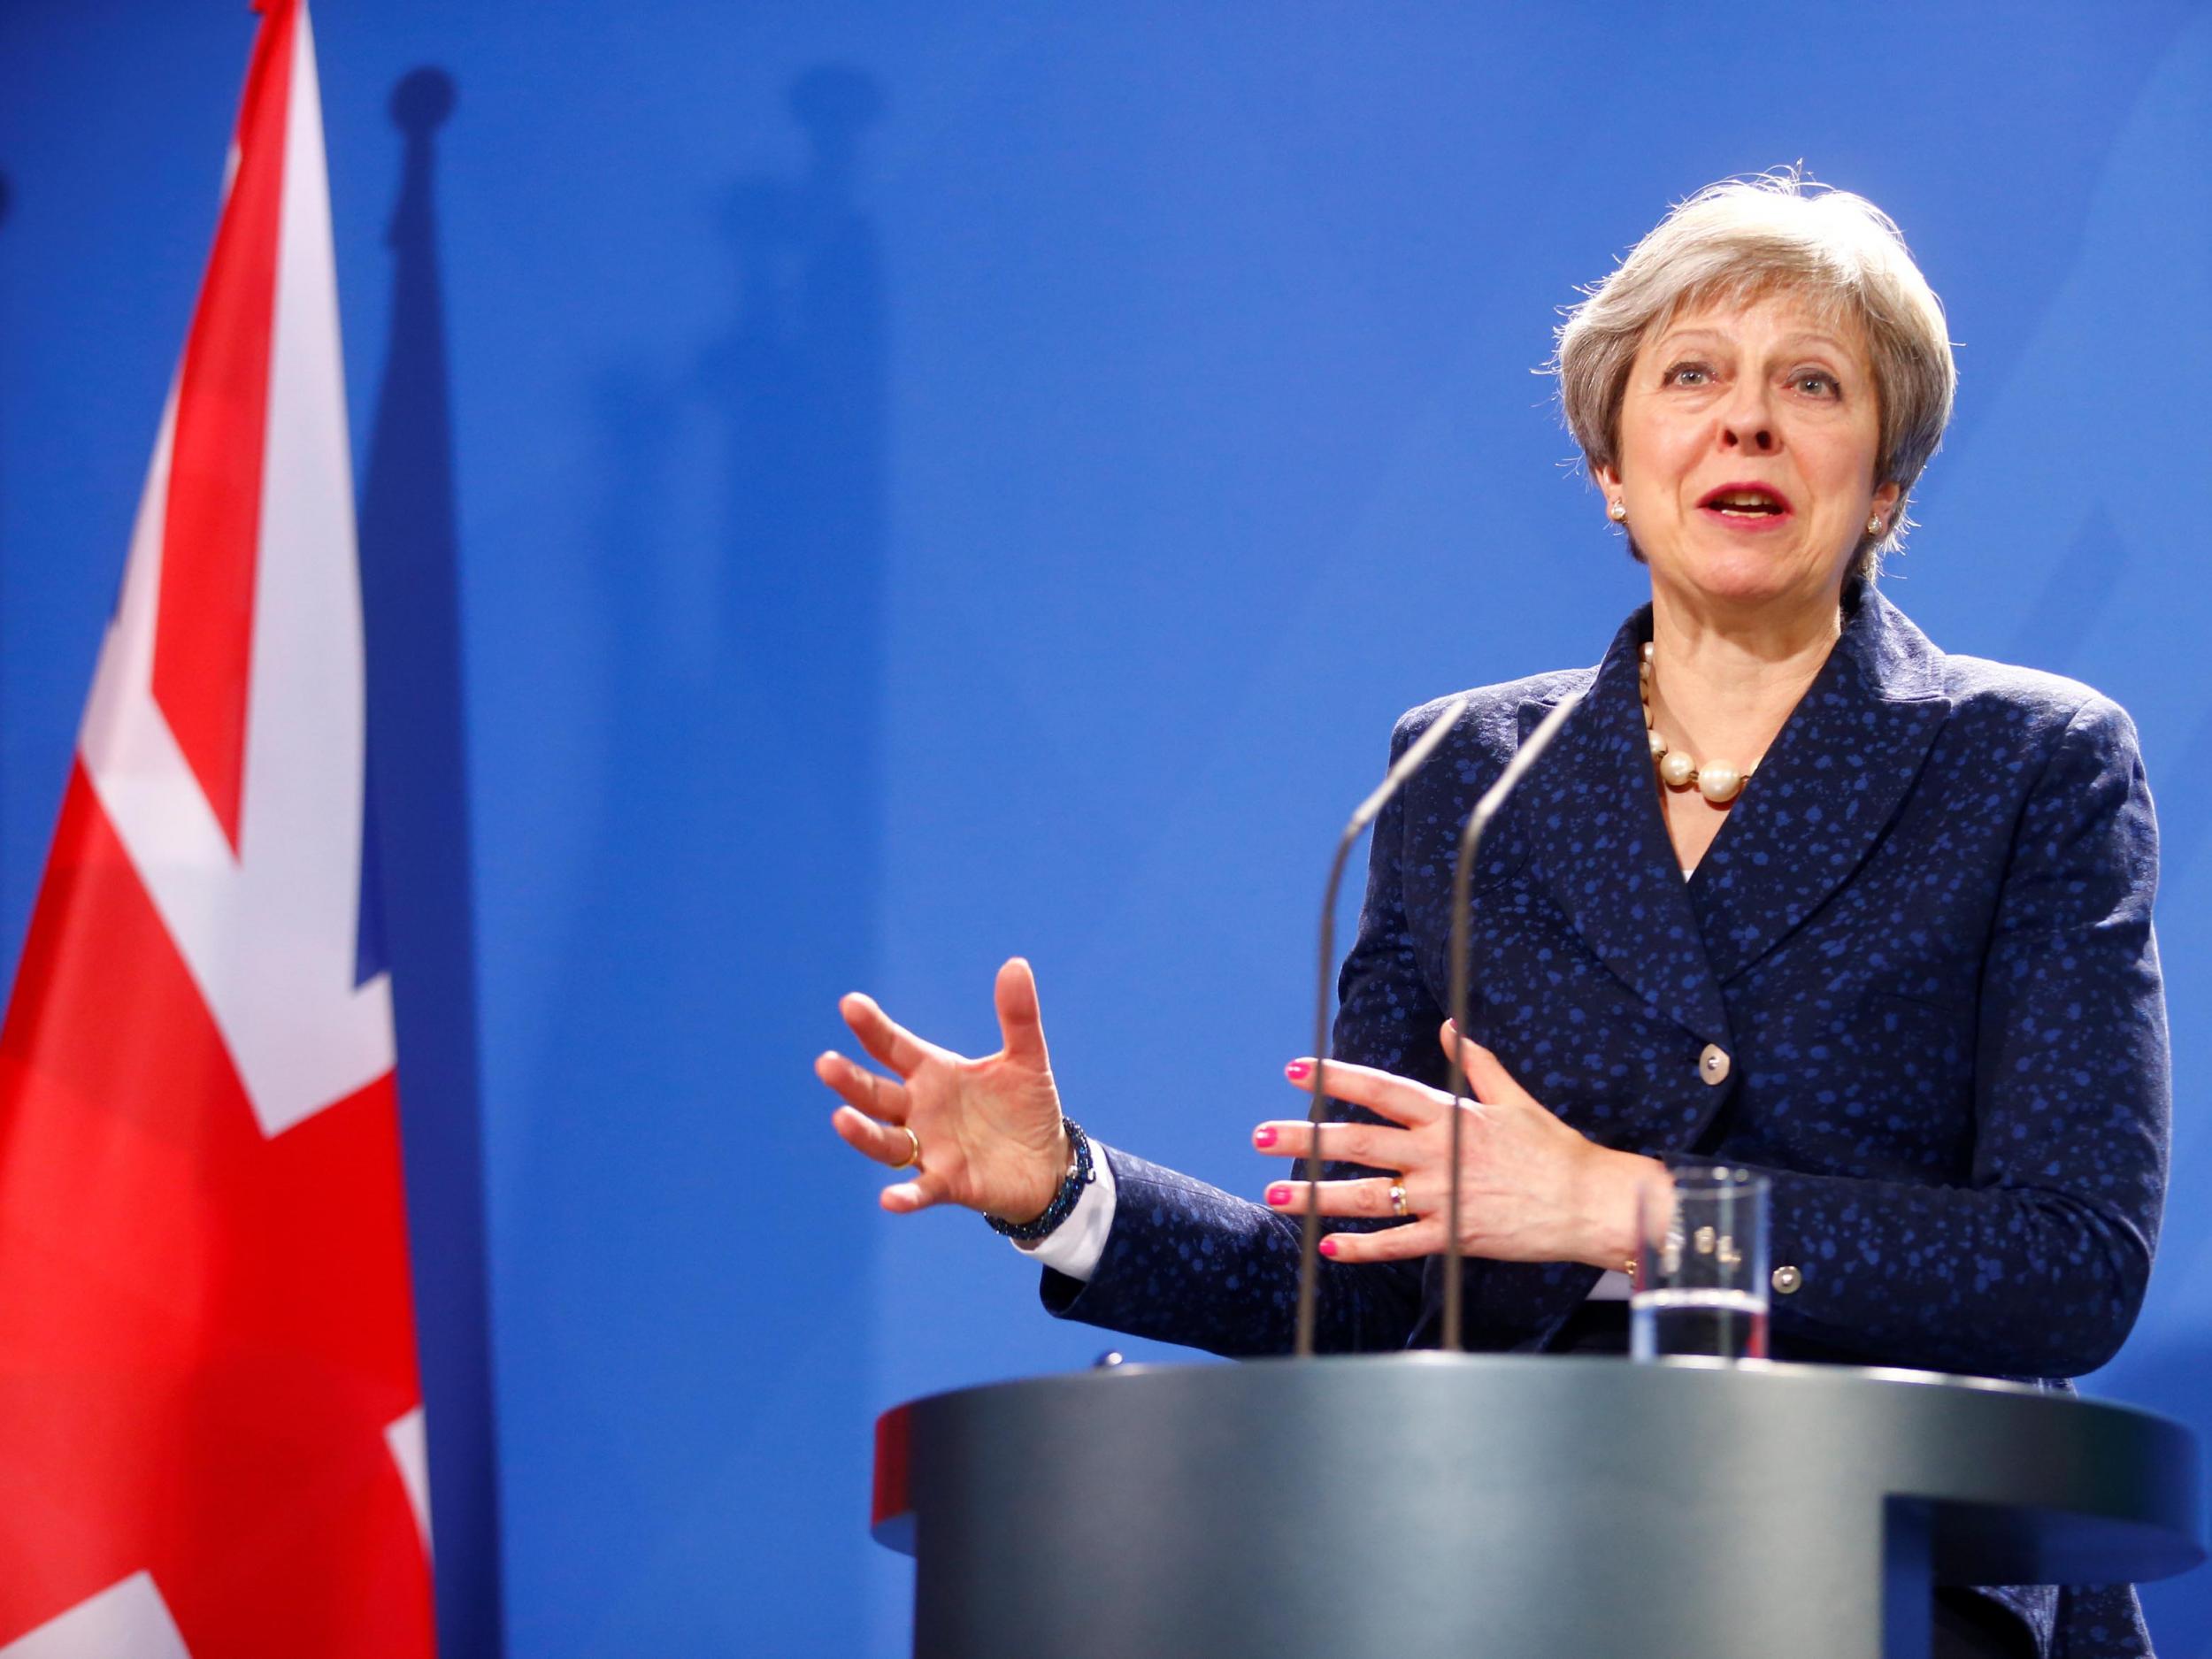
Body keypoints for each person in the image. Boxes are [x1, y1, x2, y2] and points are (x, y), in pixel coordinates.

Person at [814, 173, 2169, 1659]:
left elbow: (2069, 1265)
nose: (1748, 421)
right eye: (1694, 376)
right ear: (1611, 460)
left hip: (1883, 1555)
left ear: (1888, 481)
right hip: (1495, 1544)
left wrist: (1637, 1210)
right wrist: (1066, 1191)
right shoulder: (1469, 772)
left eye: (1814, 384)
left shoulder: (2027, 763)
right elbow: (1368, 1289)